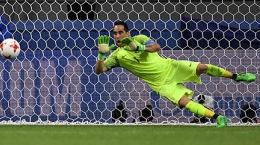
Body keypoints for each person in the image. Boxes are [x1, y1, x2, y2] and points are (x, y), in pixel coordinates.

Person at [95, 21, 257, 128]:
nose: (117, 36)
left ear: (128, 33)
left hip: (170, 67)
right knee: (185, 101)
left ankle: (237, 76)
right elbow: (99, 71)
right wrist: (101, 56)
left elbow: (157, 47)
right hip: (160, 84)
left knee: (202, 67)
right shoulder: (116, 55)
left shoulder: (140, 38)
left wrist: (138, 48)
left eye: (120, 32)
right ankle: (217, 118)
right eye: (115, 33)